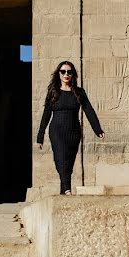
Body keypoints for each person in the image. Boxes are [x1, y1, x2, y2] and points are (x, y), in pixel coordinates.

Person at [36, 61, 104, 195]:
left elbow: (89, 111)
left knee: (69, 163)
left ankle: (63, 193)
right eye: (63, 72)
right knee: (60, 158)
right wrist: (40, 136)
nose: (66, 74)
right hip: (57, 131)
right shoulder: (53, 91)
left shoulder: (79, 92)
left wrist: (98, 130)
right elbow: (46, 115)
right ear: (59, 74)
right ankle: (67, 190)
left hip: (74, 132)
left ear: (73, 74)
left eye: (69, 72)